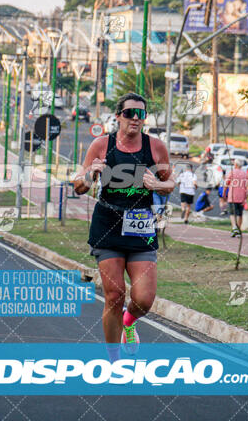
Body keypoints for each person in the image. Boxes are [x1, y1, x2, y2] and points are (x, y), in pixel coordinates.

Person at [74, 93, 174, 361]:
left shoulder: (155, 147)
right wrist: (91, 174)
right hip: (108, 224)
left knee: (143, 299)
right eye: (130, 113)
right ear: (118, 116)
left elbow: (170, 182)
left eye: (141, 114)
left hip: (141, 227)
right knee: (115, 295)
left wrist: (158, 186)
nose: (135, 119)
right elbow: (78, 185)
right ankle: (113, 358)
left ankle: (128, 323)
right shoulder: (100, 145)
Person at [225, 158, 248, 237]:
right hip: (241, 197)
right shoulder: (245, 174)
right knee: (239, 214)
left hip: (232, 196)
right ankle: (237, 230)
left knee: (232, 213)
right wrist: (246, 197)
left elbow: (226, 184)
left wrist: (224, 193)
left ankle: (234, 227)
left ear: (235, 165)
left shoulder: (232, 172)